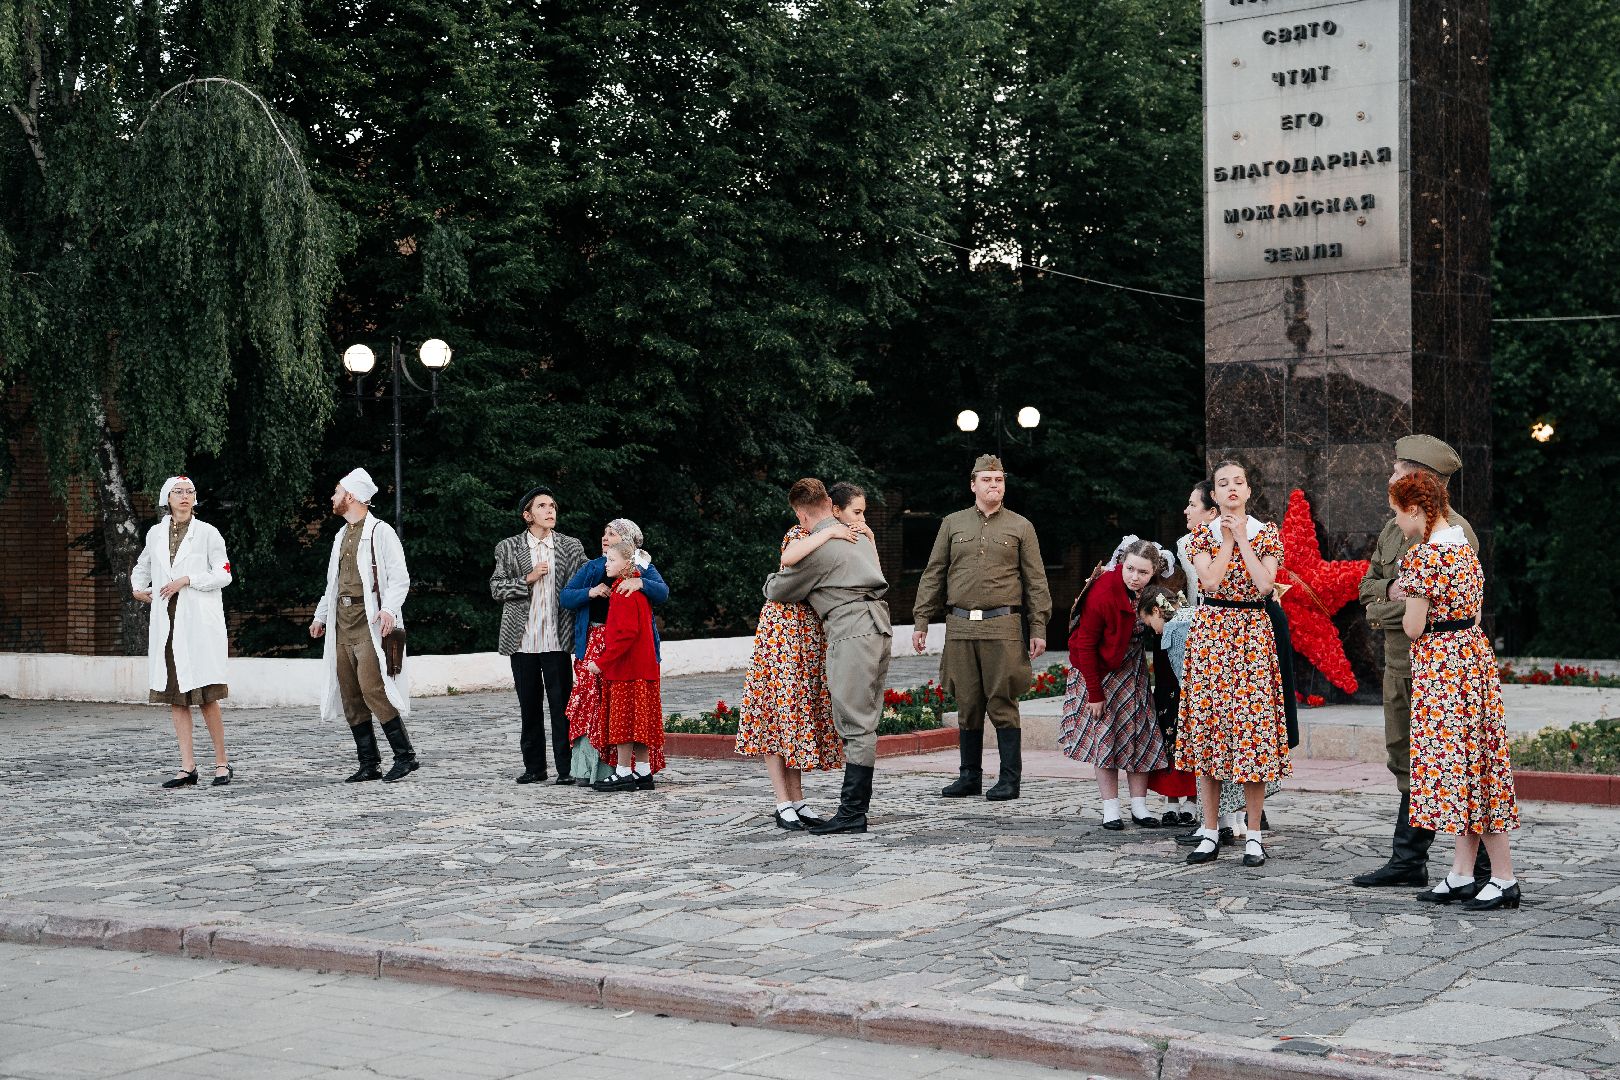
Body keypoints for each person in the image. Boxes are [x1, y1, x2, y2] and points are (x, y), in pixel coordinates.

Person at [1352, 435, 1486, 890]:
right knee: (1404, 758)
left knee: (1453, 761)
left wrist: (1391, 601)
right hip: (1399, 663)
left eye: (1397, 469)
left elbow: (1437, 612)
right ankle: (1409, 860)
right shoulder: (1395, 528)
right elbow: (1368, 588)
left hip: (1436, 667)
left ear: (1420, 478)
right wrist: (1392, 596)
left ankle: (1479, 868)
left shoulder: (1455, 534)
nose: (1389, 476)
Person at [1389, 470, 1520, 911]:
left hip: (1443, 669)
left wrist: (1405, 598)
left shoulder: (1423, 558)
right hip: (1471, 661)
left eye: (1398, 514)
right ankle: (1462, 873)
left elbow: (1412, 627)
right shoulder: (1464, 547)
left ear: (1415, 510)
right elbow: (1476, 614)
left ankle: (1503, 877)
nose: (1397, 523)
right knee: (1473, 763)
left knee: (1469, 771)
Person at [911, 455, 1052, 802]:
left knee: (1002, 701)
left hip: (1003, 625)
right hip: (960, 625)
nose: (994, 485)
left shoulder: (1021, 526)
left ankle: (1009, 779)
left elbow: (1036, 581)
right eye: (987, 479)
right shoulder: (952, 523)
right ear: (973, 484)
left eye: (999, 480)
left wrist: (1038, 626)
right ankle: (969, 777)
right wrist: (921, 620)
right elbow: (934, 573)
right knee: (967, 701)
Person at [735, 482, 869, 831]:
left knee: (793, 718)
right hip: (781, 636)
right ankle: (783, 803)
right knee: (776, 718)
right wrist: (829, 534)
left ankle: (797, 801)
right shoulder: (801, 534)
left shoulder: (835, 534)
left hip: (807, 637)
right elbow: (788, 558)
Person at [1176, 459, 1290, 868]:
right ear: (1215, 494)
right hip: (1212, 635)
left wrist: (1243, 539)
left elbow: (1264, 585)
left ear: (1248, 490)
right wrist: (1226, 540)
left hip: (1252, 635)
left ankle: (1254, 834)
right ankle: (1210, 831)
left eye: (1238, 482)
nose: (1232, 488)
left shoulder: (1265, 533)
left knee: (1252, 736)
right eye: (1223, 483)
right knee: (1209, 733)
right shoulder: (1199, 536)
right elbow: (1210, 581)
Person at [764, 478, 891, 834]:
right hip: (879, 627)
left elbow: (778, 588)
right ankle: (853, 811)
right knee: (866, 719)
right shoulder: (860, 535)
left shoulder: (818, 548)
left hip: (851, 631)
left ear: (803, 515)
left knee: (855, 722)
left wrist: (775, 577)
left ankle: (852, 813)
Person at [310, 468, 417, 783]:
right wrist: (320, 616)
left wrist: (389, 609)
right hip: (342, 625)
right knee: (350, 694)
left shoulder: (381, 531)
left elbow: (400, 578)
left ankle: (405, 756)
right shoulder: (340, 535)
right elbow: (333, 584)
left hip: (369, 623)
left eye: (337, 492)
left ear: (352, 496)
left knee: (374, 689)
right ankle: (369, 763)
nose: (333, 497)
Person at [1060, 538, 1172, 829]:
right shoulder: (1103, 591)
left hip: (1132, 667)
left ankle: (1139, 807)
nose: (1135, 577)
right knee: (1105, 737)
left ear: (1153, 572)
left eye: (1143, 572)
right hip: (1098, 670)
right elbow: (1085, 644)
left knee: (1141, 733)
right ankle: (1110, 808)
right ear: (1122, 563)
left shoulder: (1153, 591)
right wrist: (1094, 693)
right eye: (1130, 569)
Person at [132, 475, 235, 788]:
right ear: (168, 498)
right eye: (178, 492)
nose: (185, 496)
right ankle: (188, 766)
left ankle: (222, 763)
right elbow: (142, 566)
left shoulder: (207, 533)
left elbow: (224, 574)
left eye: (190, 491)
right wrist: (138, 589)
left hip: (198, 624)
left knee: (206, 697)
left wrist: (188, 579)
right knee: (176, 698)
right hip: (168, 622)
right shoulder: (155, 534)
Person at [561, 519, 670, 787]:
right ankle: (596, 770)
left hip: (622, 653)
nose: (605, 537)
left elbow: (661, 592)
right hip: (598, 643)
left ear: (628, 545)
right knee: (593, 706)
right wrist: (591, 591)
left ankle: (625, 770)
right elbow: (566, 597)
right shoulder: (594, 567)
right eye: (605, 532)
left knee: (625, 712)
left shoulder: (640, 571)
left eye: (613, 534)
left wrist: (640, 582)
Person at [491, 485, 587, 785]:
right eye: (542, 506)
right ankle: (534, 768)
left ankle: (567, 769)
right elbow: (496, 588)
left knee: (563, 708)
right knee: (529, 707)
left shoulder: (571, 546)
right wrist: (527, 579)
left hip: (557, 640)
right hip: (522, 642)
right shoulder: (508, 547)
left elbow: (589, 575)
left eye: (552, 506)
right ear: (528, 515)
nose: (549, 510)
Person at [589, 539, 666, 791]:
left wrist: (601, 662)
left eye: (612, 560)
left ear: (626, 564)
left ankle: (623, 772)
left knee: (624, 723)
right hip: (644, 669)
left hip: (627, 671)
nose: (607, 564)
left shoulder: (623, 592)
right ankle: (643, 772)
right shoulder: (636, 589)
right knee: (640, 722)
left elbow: (625, 635)